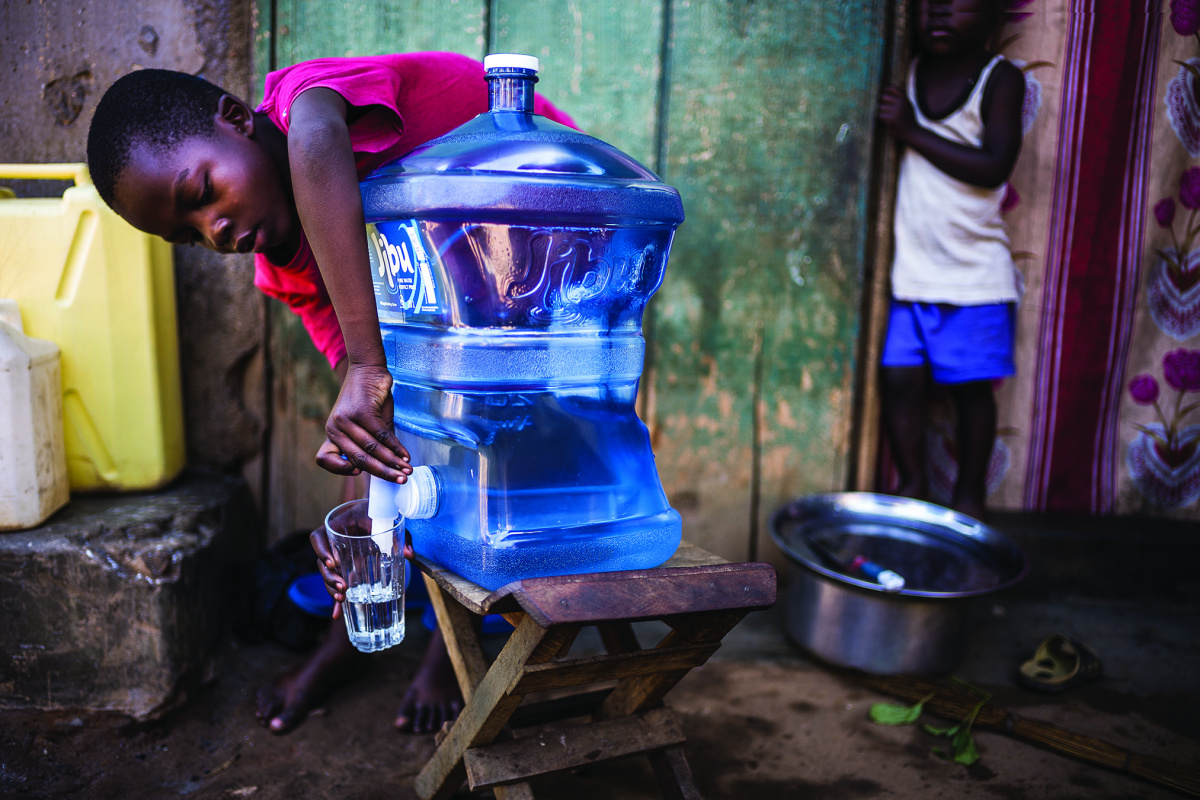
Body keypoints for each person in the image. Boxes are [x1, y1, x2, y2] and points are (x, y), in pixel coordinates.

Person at [86, 53, 578, 733]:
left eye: (200, 193)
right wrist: (357, 521)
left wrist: (372, 369)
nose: (214, 231)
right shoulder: (282, 266)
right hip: (460, 287)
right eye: (188, 236)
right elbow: (370, 407)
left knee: (490, 417)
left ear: (236, 120)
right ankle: (347, 640)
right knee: (392, 435)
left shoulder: (305, 101)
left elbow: (317, 140)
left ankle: (447, 649)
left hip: (555, 214)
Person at [876, 0, 1024, 520]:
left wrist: (912, 130)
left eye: (958, 2)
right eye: (928, 2)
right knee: (898, 381)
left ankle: (968, 497)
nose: (939, 12)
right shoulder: (907, 70)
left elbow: (993, 166)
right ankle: (914, 482)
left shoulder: (1000, 79)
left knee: (970, 394)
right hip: (913, 276)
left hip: (974, 278)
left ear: (995, 14)